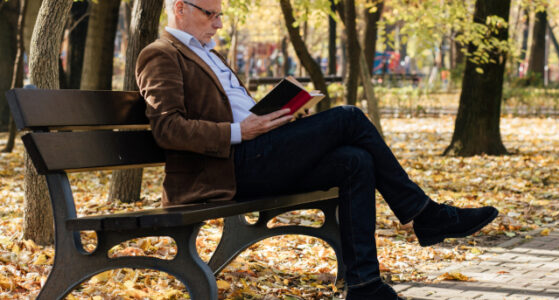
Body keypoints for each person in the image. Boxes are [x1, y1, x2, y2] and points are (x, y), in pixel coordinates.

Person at [135, 0, 499, 299]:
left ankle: (364, 286)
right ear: (180, 8)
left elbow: (234, 110)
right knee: (348, 118)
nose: (217, 24)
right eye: (209, 14)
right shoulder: (161, 54)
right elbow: (167, 129)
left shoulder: (210, 54)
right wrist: (239, 130)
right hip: (226, 167)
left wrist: (280, 117)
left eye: (220, 15)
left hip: (256, 150)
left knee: (355, 161)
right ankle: (425, 214)